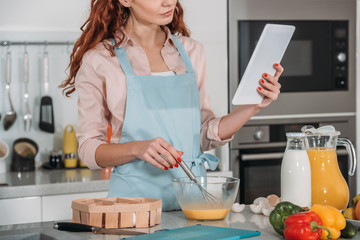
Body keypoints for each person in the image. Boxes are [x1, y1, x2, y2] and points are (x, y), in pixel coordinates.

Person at [61, 0, 283, 211]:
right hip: (134, 209)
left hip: (192, 206)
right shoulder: (100, 60)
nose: (169, 2)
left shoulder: (192, 51)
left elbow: (203, 135)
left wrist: (253, 106)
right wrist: (137, 148)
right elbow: (89, 149)